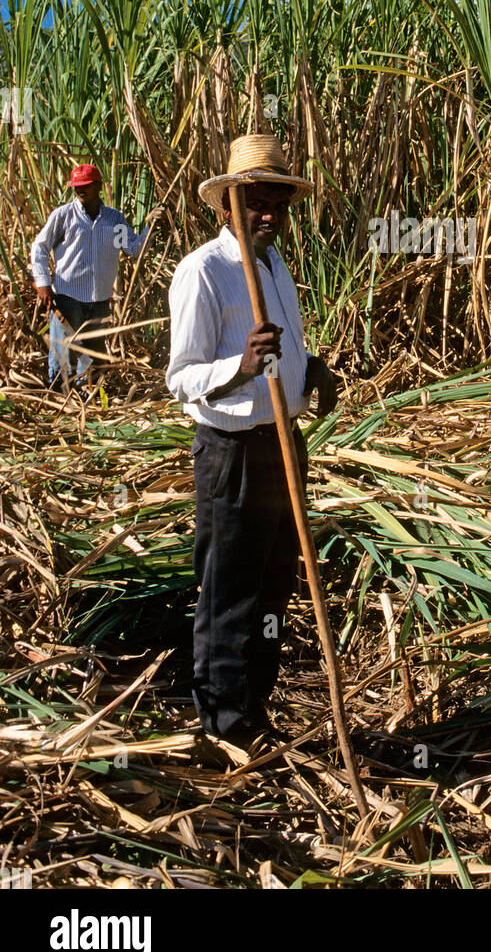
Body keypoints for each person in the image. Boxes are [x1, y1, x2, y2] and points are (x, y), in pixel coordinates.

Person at [166, 134, 338, 751]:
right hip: (233, 454)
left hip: (283, 447)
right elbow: (180, 377)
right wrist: (237, 368)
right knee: (229, 592)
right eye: (255, 202)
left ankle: (255, 707)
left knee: (274, 585)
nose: (268, 215)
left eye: (278, 204)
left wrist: (310, 367)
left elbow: (284, 345)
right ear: (227, 205)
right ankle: (223, 725)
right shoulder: (202, 272)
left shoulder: (273, 265)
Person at [30, 163, 153, 389]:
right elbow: (39, 247)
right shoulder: (64, 216)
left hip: (99, 301)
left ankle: (90, 404)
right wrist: (43, 283)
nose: (80, 190)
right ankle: (58, 400)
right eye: (76, 186)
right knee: (64, 354)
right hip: (68, 298)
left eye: (85, 185)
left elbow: (132, 249)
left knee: (95, 357)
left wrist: (150, 226)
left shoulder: (113, 219)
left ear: (98, 186)